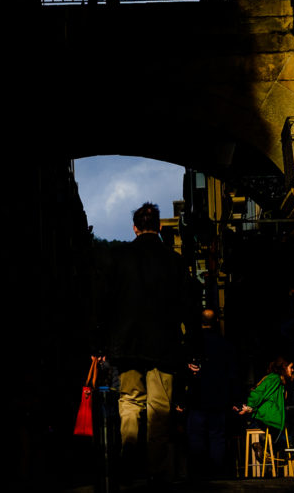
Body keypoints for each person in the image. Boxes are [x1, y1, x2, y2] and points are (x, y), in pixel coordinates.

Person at [94, 202, 198, 484]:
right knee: (159, 409)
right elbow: (188, 306)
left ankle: (128, 459)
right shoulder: (174, 261)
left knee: (129, 401)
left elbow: (103, 302)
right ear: (160, 227)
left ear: (135, 228)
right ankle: (156, 471)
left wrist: (103, 342)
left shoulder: (118, 257)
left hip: (126, 346)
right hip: (164, 347)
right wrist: (191, 346)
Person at [182, 309, 237, 480]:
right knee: (217, 436)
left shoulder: (192, 343)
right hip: (219, 397)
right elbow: (232, 373)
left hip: (198, 395)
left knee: (196, 435)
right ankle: (217, 472)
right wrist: (233, 398)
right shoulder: (225, 344)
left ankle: (198, 472)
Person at [238, 356, 294, 447]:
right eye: (290, 367)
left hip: (271, 417)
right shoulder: (274, 378)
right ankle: (267, 446)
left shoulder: (280, 381)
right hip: (268, 418)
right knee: (286, 435)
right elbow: (258, 392)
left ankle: (267, 447)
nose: (292, 370)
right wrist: (249, 407)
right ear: (284, 368)